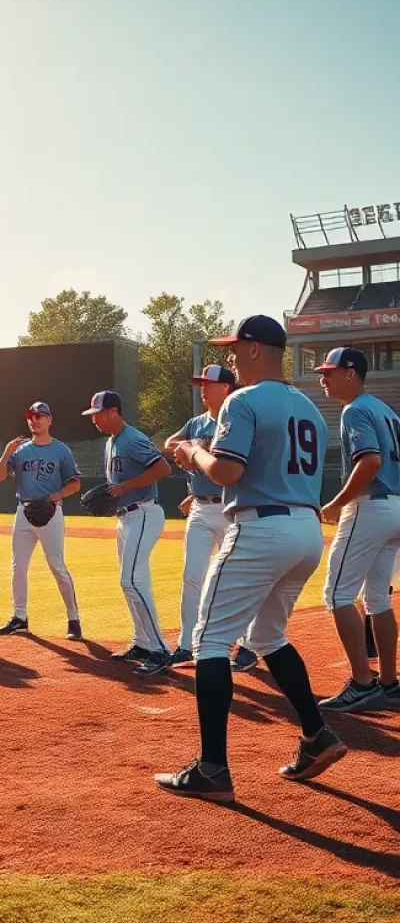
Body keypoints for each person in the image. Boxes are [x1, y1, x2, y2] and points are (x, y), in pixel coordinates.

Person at [157, 315, 347, 803]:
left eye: (236, 349)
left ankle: (212, 769)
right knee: (266, 636)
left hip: (262, 525)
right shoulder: (307, 404)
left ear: (259, 348)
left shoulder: (243, 400)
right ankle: (316, 735)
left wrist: (195, 451)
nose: (231, 358)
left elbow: (224, 471)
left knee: (210, 640)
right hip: (305, 529)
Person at [316, 346, 400, 712]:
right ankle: (389, 684)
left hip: (372, 505)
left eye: (329, 371)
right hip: (396, 505)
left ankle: (363, 683)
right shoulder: (386, 411)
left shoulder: (356, 410)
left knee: (337, 594)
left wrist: (337, 502)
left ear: (350, 373)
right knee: (378, 598)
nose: (323, 377)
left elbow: (369, 461)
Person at [163, 365, 258, 672]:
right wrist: (188, 452)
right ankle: (187, 644)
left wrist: (198, 451)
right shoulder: (196, 422)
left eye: (210, 384)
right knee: (192, 576)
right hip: (201, 508)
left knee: (238, 578)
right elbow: (168, 444)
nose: (203, 389)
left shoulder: (239, 419)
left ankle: (247, 645)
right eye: (201, 384)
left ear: (227, 388)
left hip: (232, 507)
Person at [83, 390, 172, 676]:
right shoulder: (112, 441)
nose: (94, 419)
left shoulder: (132, 438)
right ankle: (143, 642)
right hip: (126, 517)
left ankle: (159, 649)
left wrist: (125, 487)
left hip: (143, 512)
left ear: (113, 412)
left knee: (132, 580)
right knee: (129, 582)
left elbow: (163, 467)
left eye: (98, 414)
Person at [0, 401, 83, 638]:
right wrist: (6, 453)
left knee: (57, 566)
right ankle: (19, 617)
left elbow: (75, 483)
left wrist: (57, 495)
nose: (35, 420)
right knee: (18, 567)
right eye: (31, 416)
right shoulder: (20, 451)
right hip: (24, 511)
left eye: (40, 416)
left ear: (50, 420)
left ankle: (73, 619)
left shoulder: (61, 450)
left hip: (51, 512)